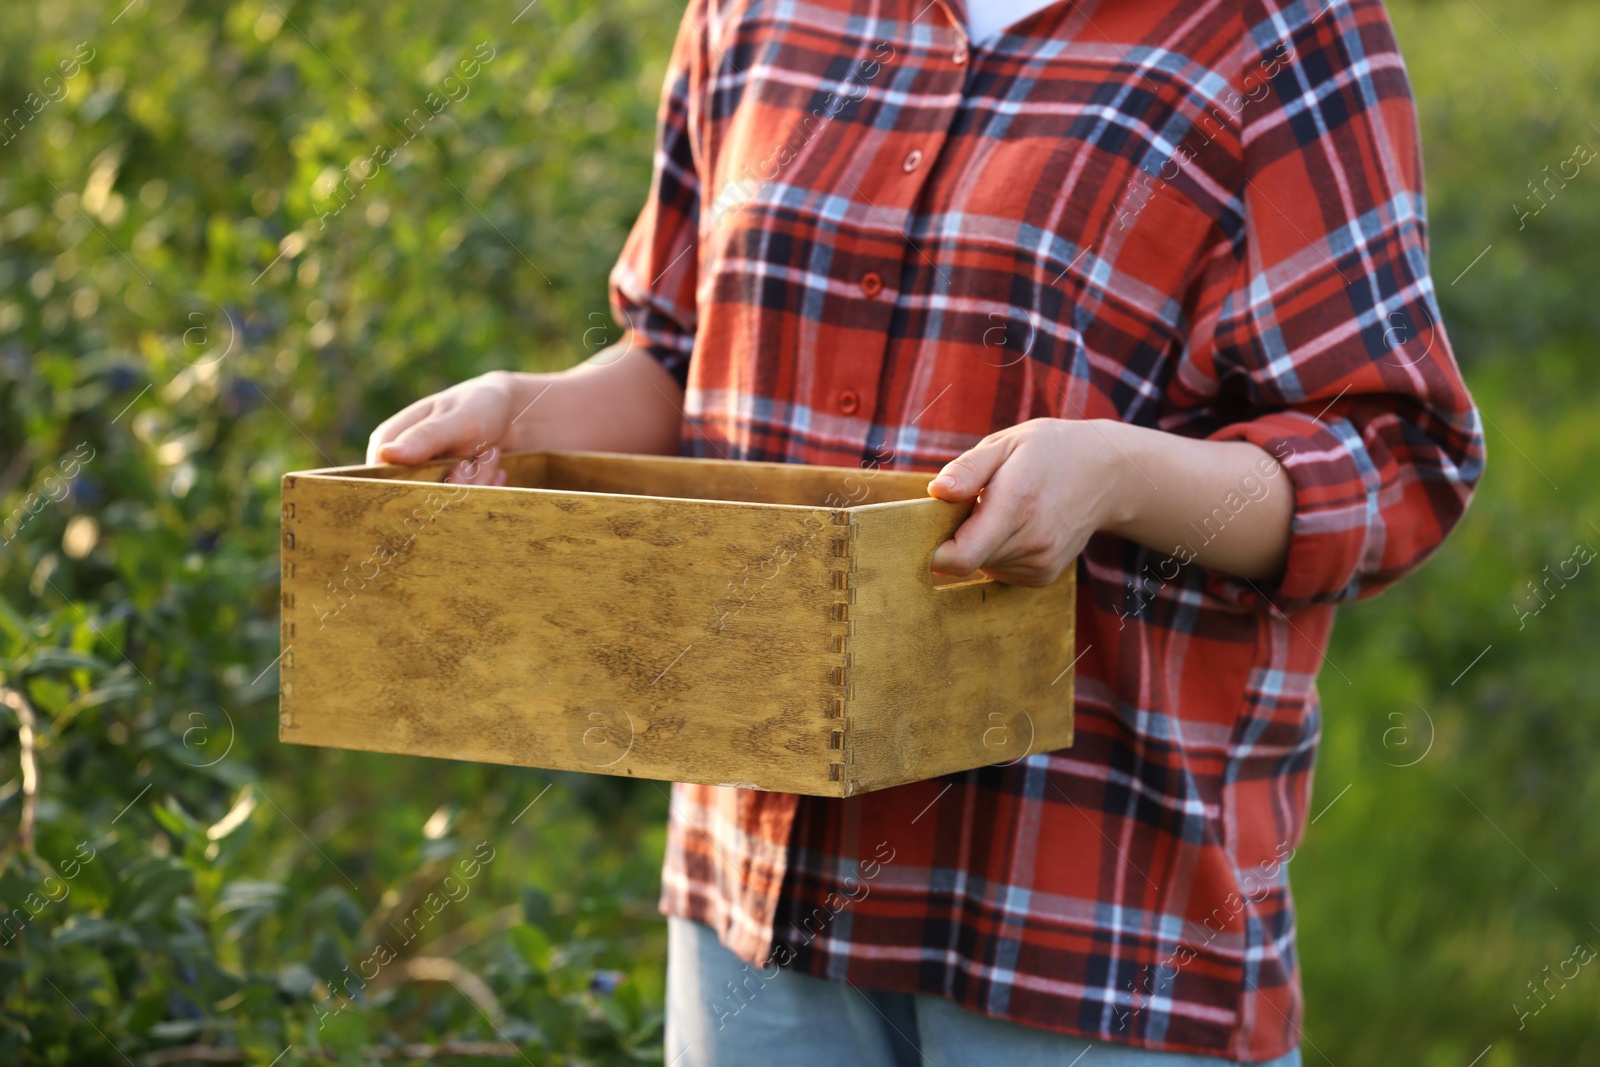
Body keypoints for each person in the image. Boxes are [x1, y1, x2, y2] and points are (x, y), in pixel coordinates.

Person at [367, 0, 1485, 1062]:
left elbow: (1396, 460)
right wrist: (526, 414)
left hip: (1090, 923)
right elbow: (682, 357)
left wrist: (1114, 473)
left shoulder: (1275, 32)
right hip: (755, 900)